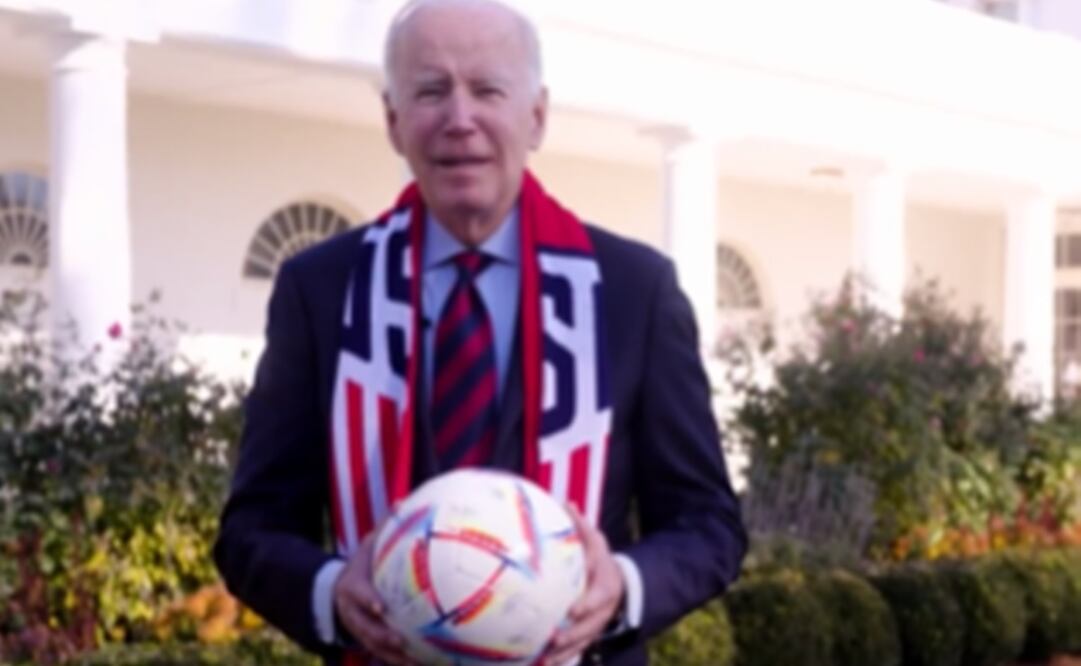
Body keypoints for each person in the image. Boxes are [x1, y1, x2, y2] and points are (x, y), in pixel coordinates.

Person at [214, 0, 747, 664]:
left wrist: (621, 588)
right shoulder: (320, 290)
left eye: (487, 89)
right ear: (393, 121)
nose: (458, 119)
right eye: (430, 91)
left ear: (537, 117)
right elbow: (252, 528)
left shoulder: (634, 291)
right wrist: (331, 592)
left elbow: (707, 525)